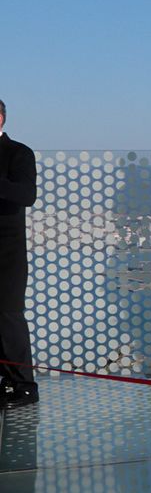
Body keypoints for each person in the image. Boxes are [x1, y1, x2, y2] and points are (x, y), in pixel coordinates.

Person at [0, 98, 38, 409]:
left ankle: (25, 386)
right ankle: (4, 382)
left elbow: (26, 195)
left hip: (6, 251)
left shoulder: (19, 153)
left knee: (8, 317)